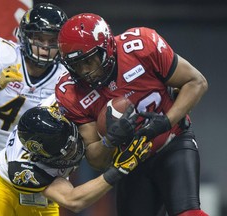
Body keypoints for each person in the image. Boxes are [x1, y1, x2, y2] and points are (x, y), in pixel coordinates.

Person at [55, 13, 209, 216]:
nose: (85, 71)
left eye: (90, 60)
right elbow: (95, 159)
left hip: (171, 142)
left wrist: (166, 122)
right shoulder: (70, 92)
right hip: (129, 162)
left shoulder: (141, 46)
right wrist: (109, 141)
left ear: (107, 47)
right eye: (77, 65)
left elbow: (196, 82)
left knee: (188, 213)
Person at [0, 3, 68, 216]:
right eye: (39, 38)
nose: (45, 46)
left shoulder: (65, 76)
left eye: (52, 40)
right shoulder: (1, 54)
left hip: (29, 169)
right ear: (25, 37)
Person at [0, 105, 143, 215]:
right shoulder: (24, 168)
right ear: (41, 156)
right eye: (67, 152)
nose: (75, 152)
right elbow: (73, 199)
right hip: (3, 189)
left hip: (42, 198)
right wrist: (118, 171)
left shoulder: (61, 105)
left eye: (72, 144)